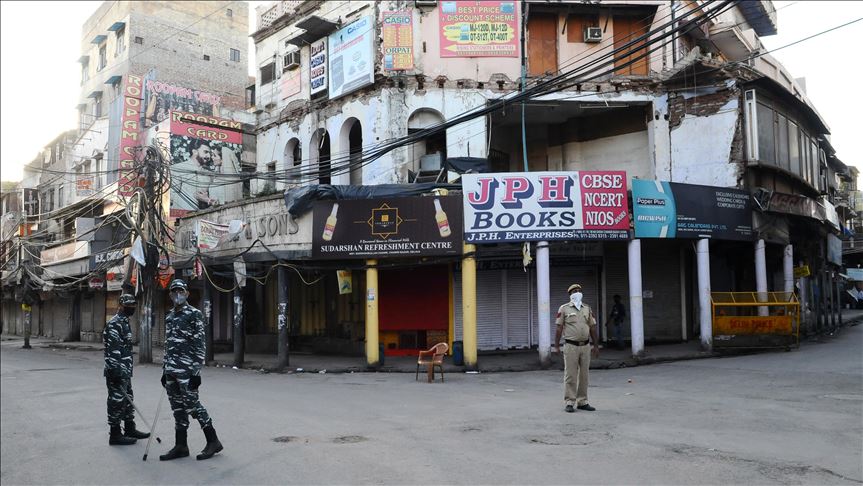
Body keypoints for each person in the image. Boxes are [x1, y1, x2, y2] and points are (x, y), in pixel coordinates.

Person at [159, 279, 223, 461]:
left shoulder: (194, 314)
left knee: (193, 406)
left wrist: (196, 372)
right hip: (171, 370)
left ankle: (213, 441)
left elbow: (200, 344)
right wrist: (164, 369)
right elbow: (168, 345)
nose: (177, 294)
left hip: (187, 371)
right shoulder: (169, 316)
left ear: (187, 293)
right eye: (174, 292)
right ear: (170, 295)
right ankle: (181, 446)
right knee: (177, 409)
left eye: (181, 291)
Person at [103, 293, 150, 445]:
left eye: (133, 305)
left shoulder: (125, 322)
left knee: (128, 399)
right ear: (121, 306)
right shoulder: (115, 323)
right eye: (128, 305)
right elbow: (112, 350)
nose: (131, 308)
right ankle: (115, 434)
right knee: (116, 401)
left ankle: (130, 428)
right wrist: (114, 372)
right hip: (116, 371)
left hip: (125, 370)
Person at [554, 283, 599, 413]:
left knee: (584, 375)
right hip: (571, 346)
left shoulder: (587, 309)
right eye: (574, 291)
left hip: (585, 346)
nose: (577, 292)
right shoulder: (564, 308)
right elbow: (559, 328)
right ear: (570, 294)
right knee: (570, 375)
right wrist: (556, 346)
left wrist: (596, 345)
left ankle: (582, 401)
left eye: (579, 290)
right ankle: (569, 401)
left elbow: (592, 327)